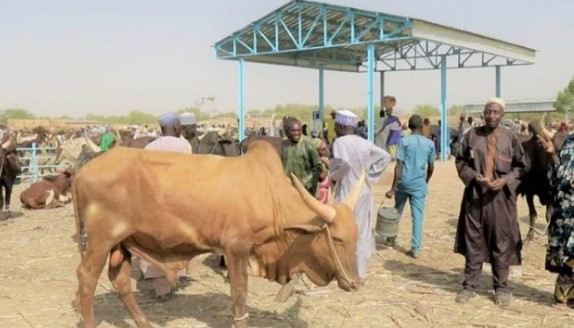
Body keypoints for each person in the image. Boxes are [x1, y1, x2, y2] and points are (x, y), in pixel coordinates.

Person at [454, 97, 526, 307]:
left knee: (500, 242)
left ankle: (501, 289)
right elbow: (460, 161)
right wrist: (474, 176)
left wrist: (504, 180)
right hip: (475, 198)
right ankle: (469, 287)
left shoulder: (511, 138)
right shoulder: (471, 136)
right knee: (473, 241)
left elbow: (521, 167)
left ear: (502, 115)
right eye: (488, 112)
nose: (491, 116)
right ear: (483, 114)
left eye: (496, 112)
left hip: (501, 200)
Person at [330, 110, 391, 282]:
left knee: (343, 230)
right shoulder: (364, 142)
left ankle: (344, 268)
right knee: (362, 230)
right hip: (363, 190)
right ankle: (360, 271)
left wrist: (331, 175)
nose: (334, 129)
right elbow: (385, 156)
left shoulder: (340, 143)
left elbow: (342, 166)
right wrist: (369, 174)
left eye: (335, 126)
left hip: (347, 191)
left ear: (342, 126)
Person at [138, 112, 192, 300]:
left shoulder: (149, 147)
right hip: (177, 201)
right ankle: (176, 275)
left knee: (153, 242)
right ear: (176, 127)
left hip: (153, 202)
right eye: (179, 125)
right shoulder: (183, 145)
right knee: (176, 240)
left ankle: (161, 289)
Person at [384, 115, 435, 258]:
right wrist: (426, 181)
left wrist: (393, 188)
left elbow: (398, 166)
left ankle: (390, 238)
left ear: (410, 127)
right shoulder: (429, 144)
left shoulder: (404, 142)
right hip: (419, 184)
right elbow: (431, 167)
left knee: (397, 211)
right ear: (421, 127)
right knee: (417, 216)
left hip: (403, 182)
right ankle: (416, 248)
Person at [538, 127, 574, 306]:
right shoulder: (568, 142)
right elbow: (557, 174)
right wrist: (552, 154)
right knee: (564, 251)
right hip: (564, 208)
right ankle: (564, 295)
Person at [281, 118, 324, 196]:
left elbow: (318, 167)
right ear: (289, 131)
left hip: (306, 191)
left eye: (298, 130)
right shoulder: (284, 145)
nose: (296, 133)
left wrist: (304, 181)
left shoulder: (308, 145)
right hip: (288, 188)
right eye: (293, 130)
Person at [311, 137, 331, 204]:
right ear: (316, 150)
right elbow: (321, 176)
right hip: (318, 194)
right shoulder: (313, 161)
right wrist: (328, 166)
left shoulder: (323, 160)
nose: (325, 151)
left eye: (325, 149)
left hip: (326, 193)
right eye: (322, 150)